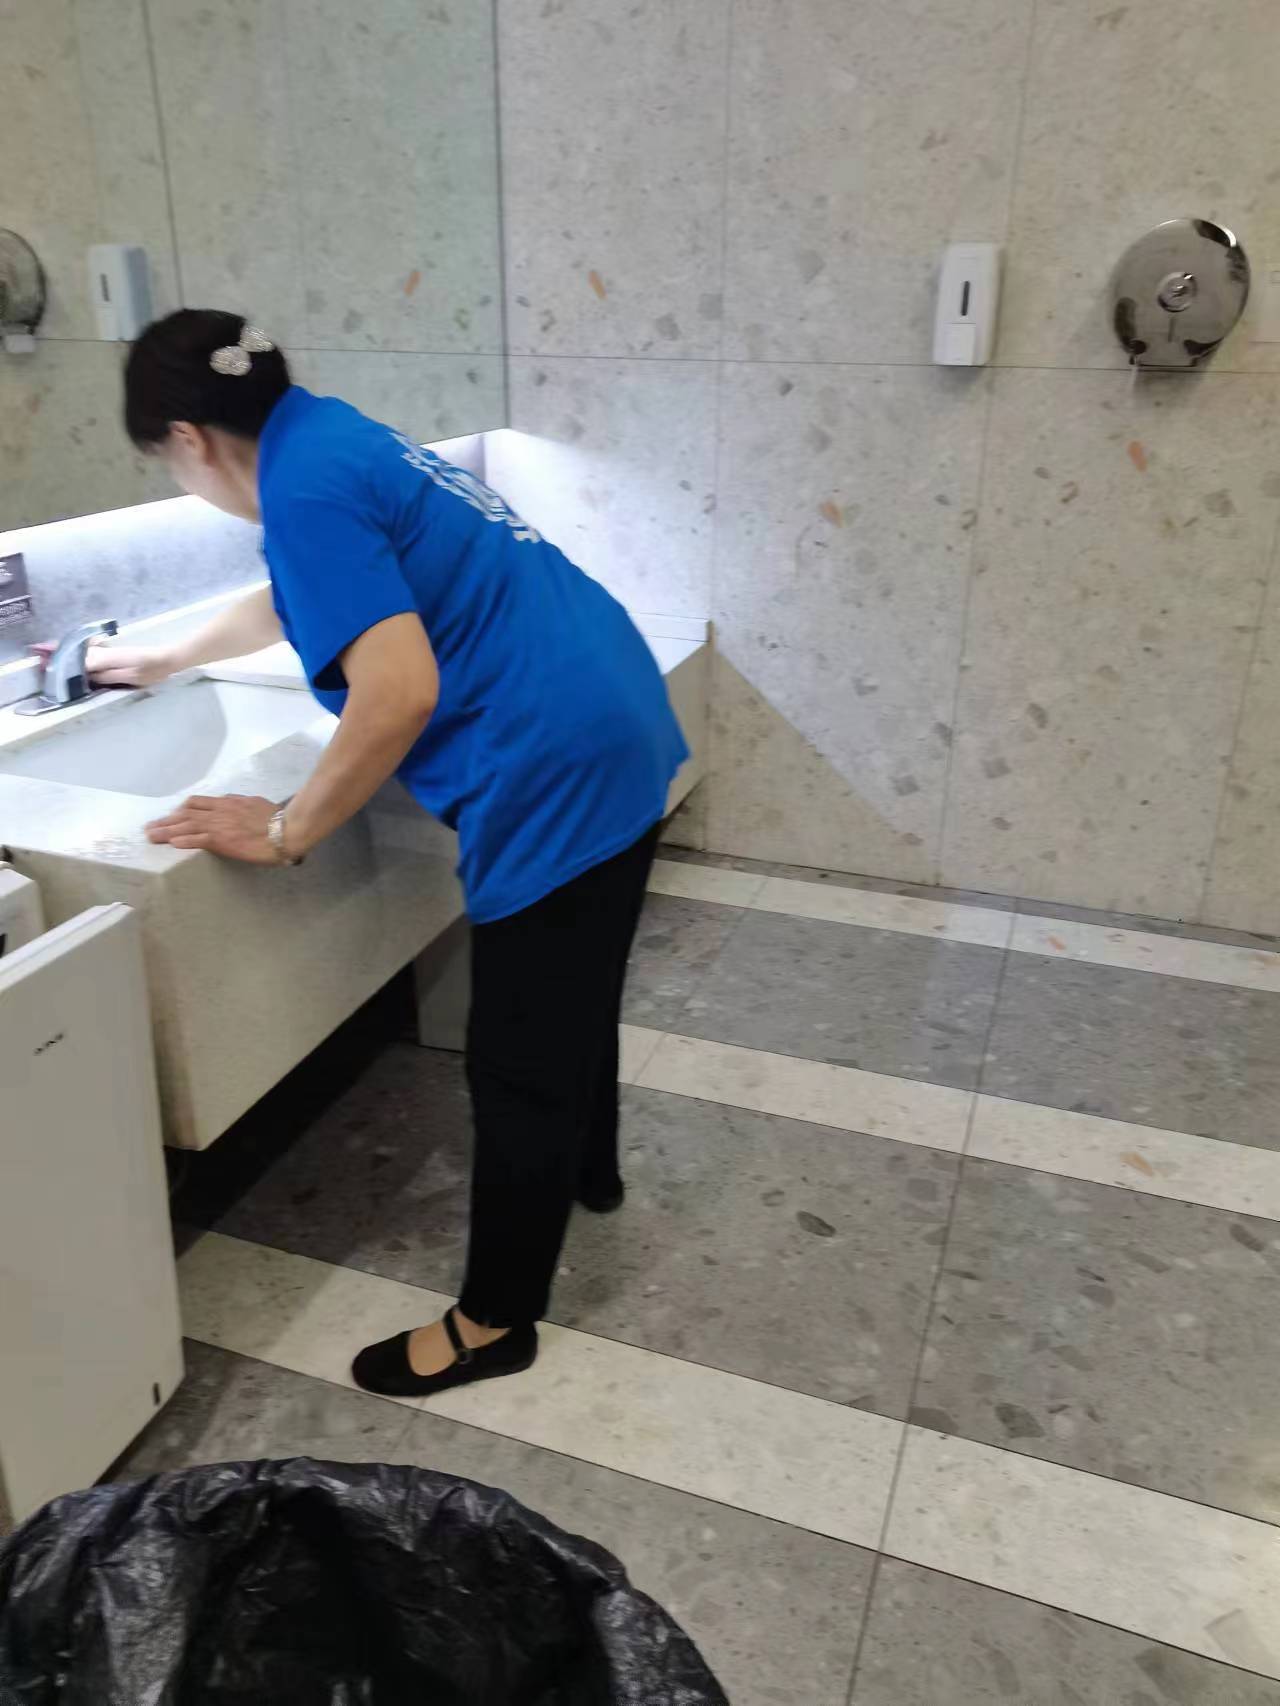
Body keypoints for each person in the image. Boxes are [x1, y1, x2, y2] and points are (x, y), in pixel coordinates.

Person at [104, 309, 688, 1399]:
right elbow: (317, 591)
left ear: (187, 438)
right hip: (609, 705)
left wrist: (284, 831)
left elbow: (399, 689)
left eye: (167, 463)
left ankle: (493, 1321)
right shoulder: (327, 435)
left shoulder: (303, 486)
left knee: (516, 1054)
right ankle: (589, 1174)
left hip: (552, 755)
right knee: (573, 989)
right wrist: (170, 654)